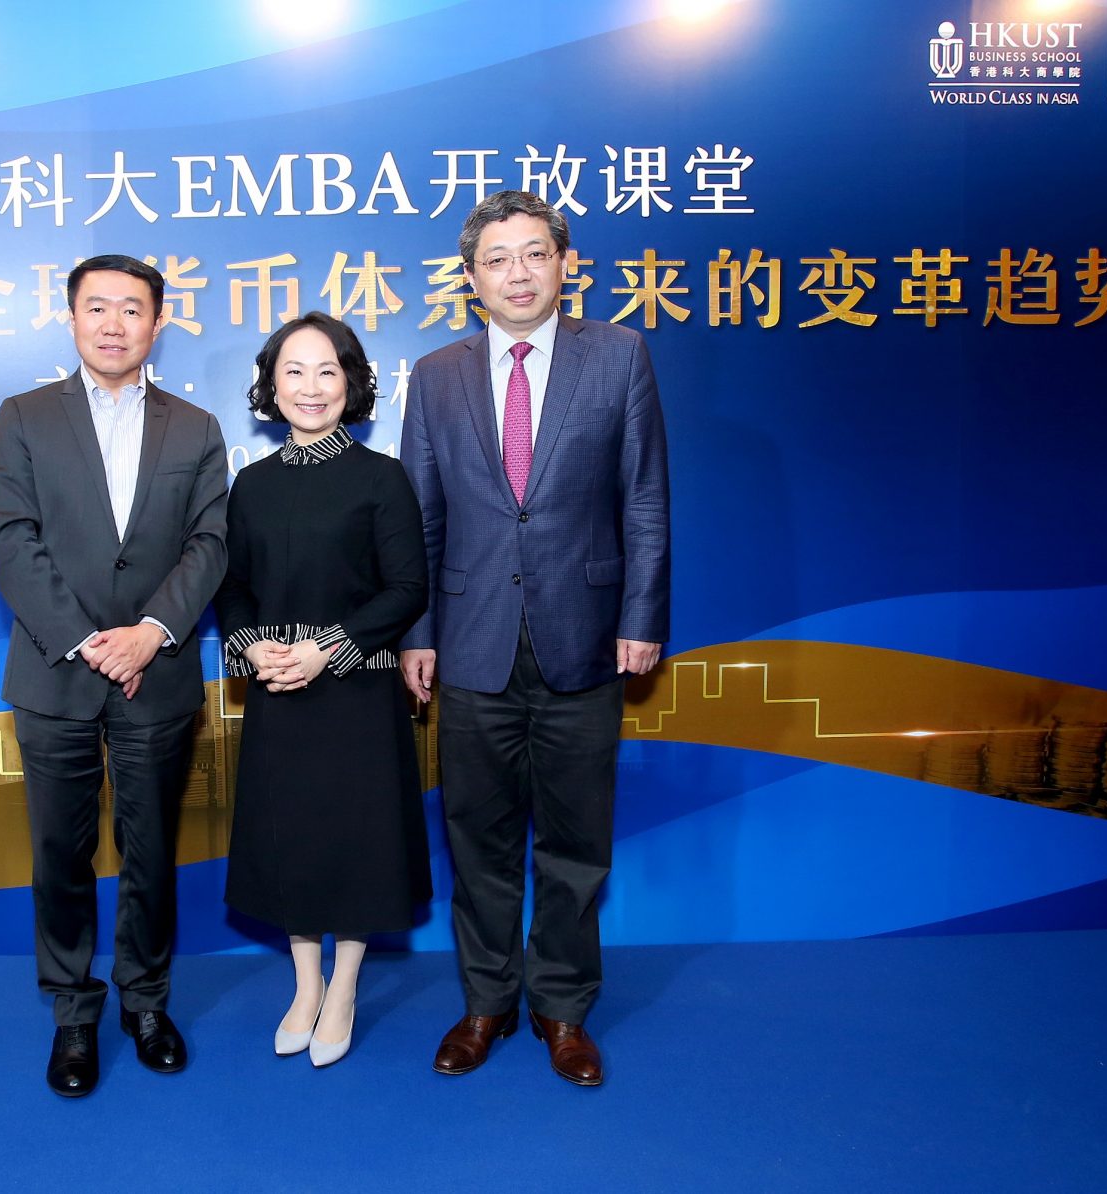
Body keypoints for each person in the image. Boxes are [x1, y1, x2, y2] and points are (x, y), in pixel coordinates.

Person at [399, 190, 669, 1087]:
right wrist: (419, 632)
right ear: (472, 279)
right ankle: (486, 1004)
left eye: (534, 253)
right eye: (497, 259)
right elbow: (422, 519)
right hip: (470, 642)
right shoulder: (435, 375)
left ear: (565, 262)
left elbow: (643, 500)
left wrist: (641, 618)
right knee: (476, 837)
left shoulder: (621, 355)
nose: (518, 272)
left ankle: (562, 1009)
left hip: (584, 638)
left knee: (574, 840)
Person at [0, 253, 230, 1097]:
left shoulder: (195, 428)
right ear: (72, 317)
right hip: (57, 673)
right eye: (99, 308)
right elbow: (14, 542)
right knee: (60, 849)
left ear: (158, 323)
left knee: (151, 846)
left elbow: (211, 543)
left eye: (133, 309)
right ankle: (73, 1014)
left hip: (154, 674)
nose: (115, 324)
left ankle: (147, 1000)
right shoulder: (21, 417)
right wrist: (91, 640)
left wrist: (152, 632)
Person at [214, 313, 431, 1068]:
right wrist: (256, 651)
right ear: (272, 387)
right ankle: (305, 986)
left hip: (357, 694)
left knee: (356, 843)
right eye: (294, 372)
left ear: (352, 382)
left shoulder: (382, 477)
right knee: (292, 842)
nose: (311, 387)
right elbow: (233, 589)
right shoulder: (252, 484)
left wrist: (323, 650)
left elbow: (407, 589)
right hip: (278, 692)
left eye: (327, 371)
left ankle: (343, 988)